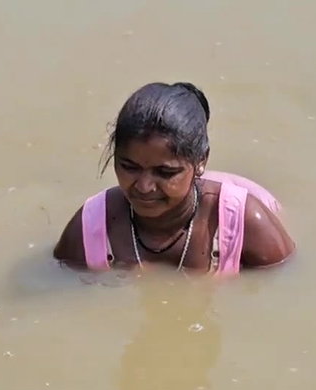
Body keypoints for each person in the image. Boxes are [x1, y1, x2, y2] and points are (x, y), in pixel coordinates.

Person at [53, 82, 296, 275]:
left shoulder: (247, 222)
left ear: (201, 161)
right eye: (129, 167)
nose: (144, 187)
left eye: (165, 173)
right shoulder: (91, 225)